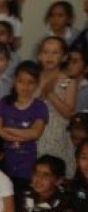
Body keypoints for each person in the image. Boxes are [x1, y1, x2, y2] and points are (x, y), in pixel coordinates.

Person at [0, 61, 48, 195]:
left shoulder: (39, 106)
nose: (25, 86)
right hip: (3, 162)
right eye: (21, 81)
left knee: (22, 198)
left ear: (37, 84)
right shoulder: (4, 103)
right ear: (14, 81)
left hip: (26, 165)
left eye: (31, 82)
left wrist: (8, 129)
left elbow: (35, 133)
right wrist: (24, 135)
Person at [37, 36, 77, 179]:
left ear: (64, 57)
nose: (50, 57)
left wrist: (50, 93)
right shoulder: (33, 78)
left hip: (57, 136)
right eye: (46, 52)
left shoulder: (67, 81)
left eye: (55, 53)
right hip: (36, 134)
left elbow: (68, 112)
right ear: (39, 55)